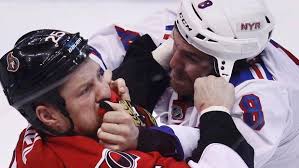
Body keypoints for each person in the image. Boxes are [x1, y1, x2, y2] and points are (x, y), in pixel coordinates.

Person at [88, 0, 299, 167]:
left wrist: (141, 137)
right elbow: (93, 56)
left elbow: (218, 157)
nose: (173, 62)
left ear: (228, 65)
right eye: (175, 44)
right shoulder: (190, 24)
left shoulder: (266, 97)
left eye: (191, 58)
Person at [0, 29, 251, 168]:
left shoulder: (44, 133)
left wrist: (134, 117)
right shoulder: (91, 162)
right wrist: (214, 111)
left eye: (100, 75)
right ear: (49, 115)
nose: (104, 90)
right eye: (85, 90)